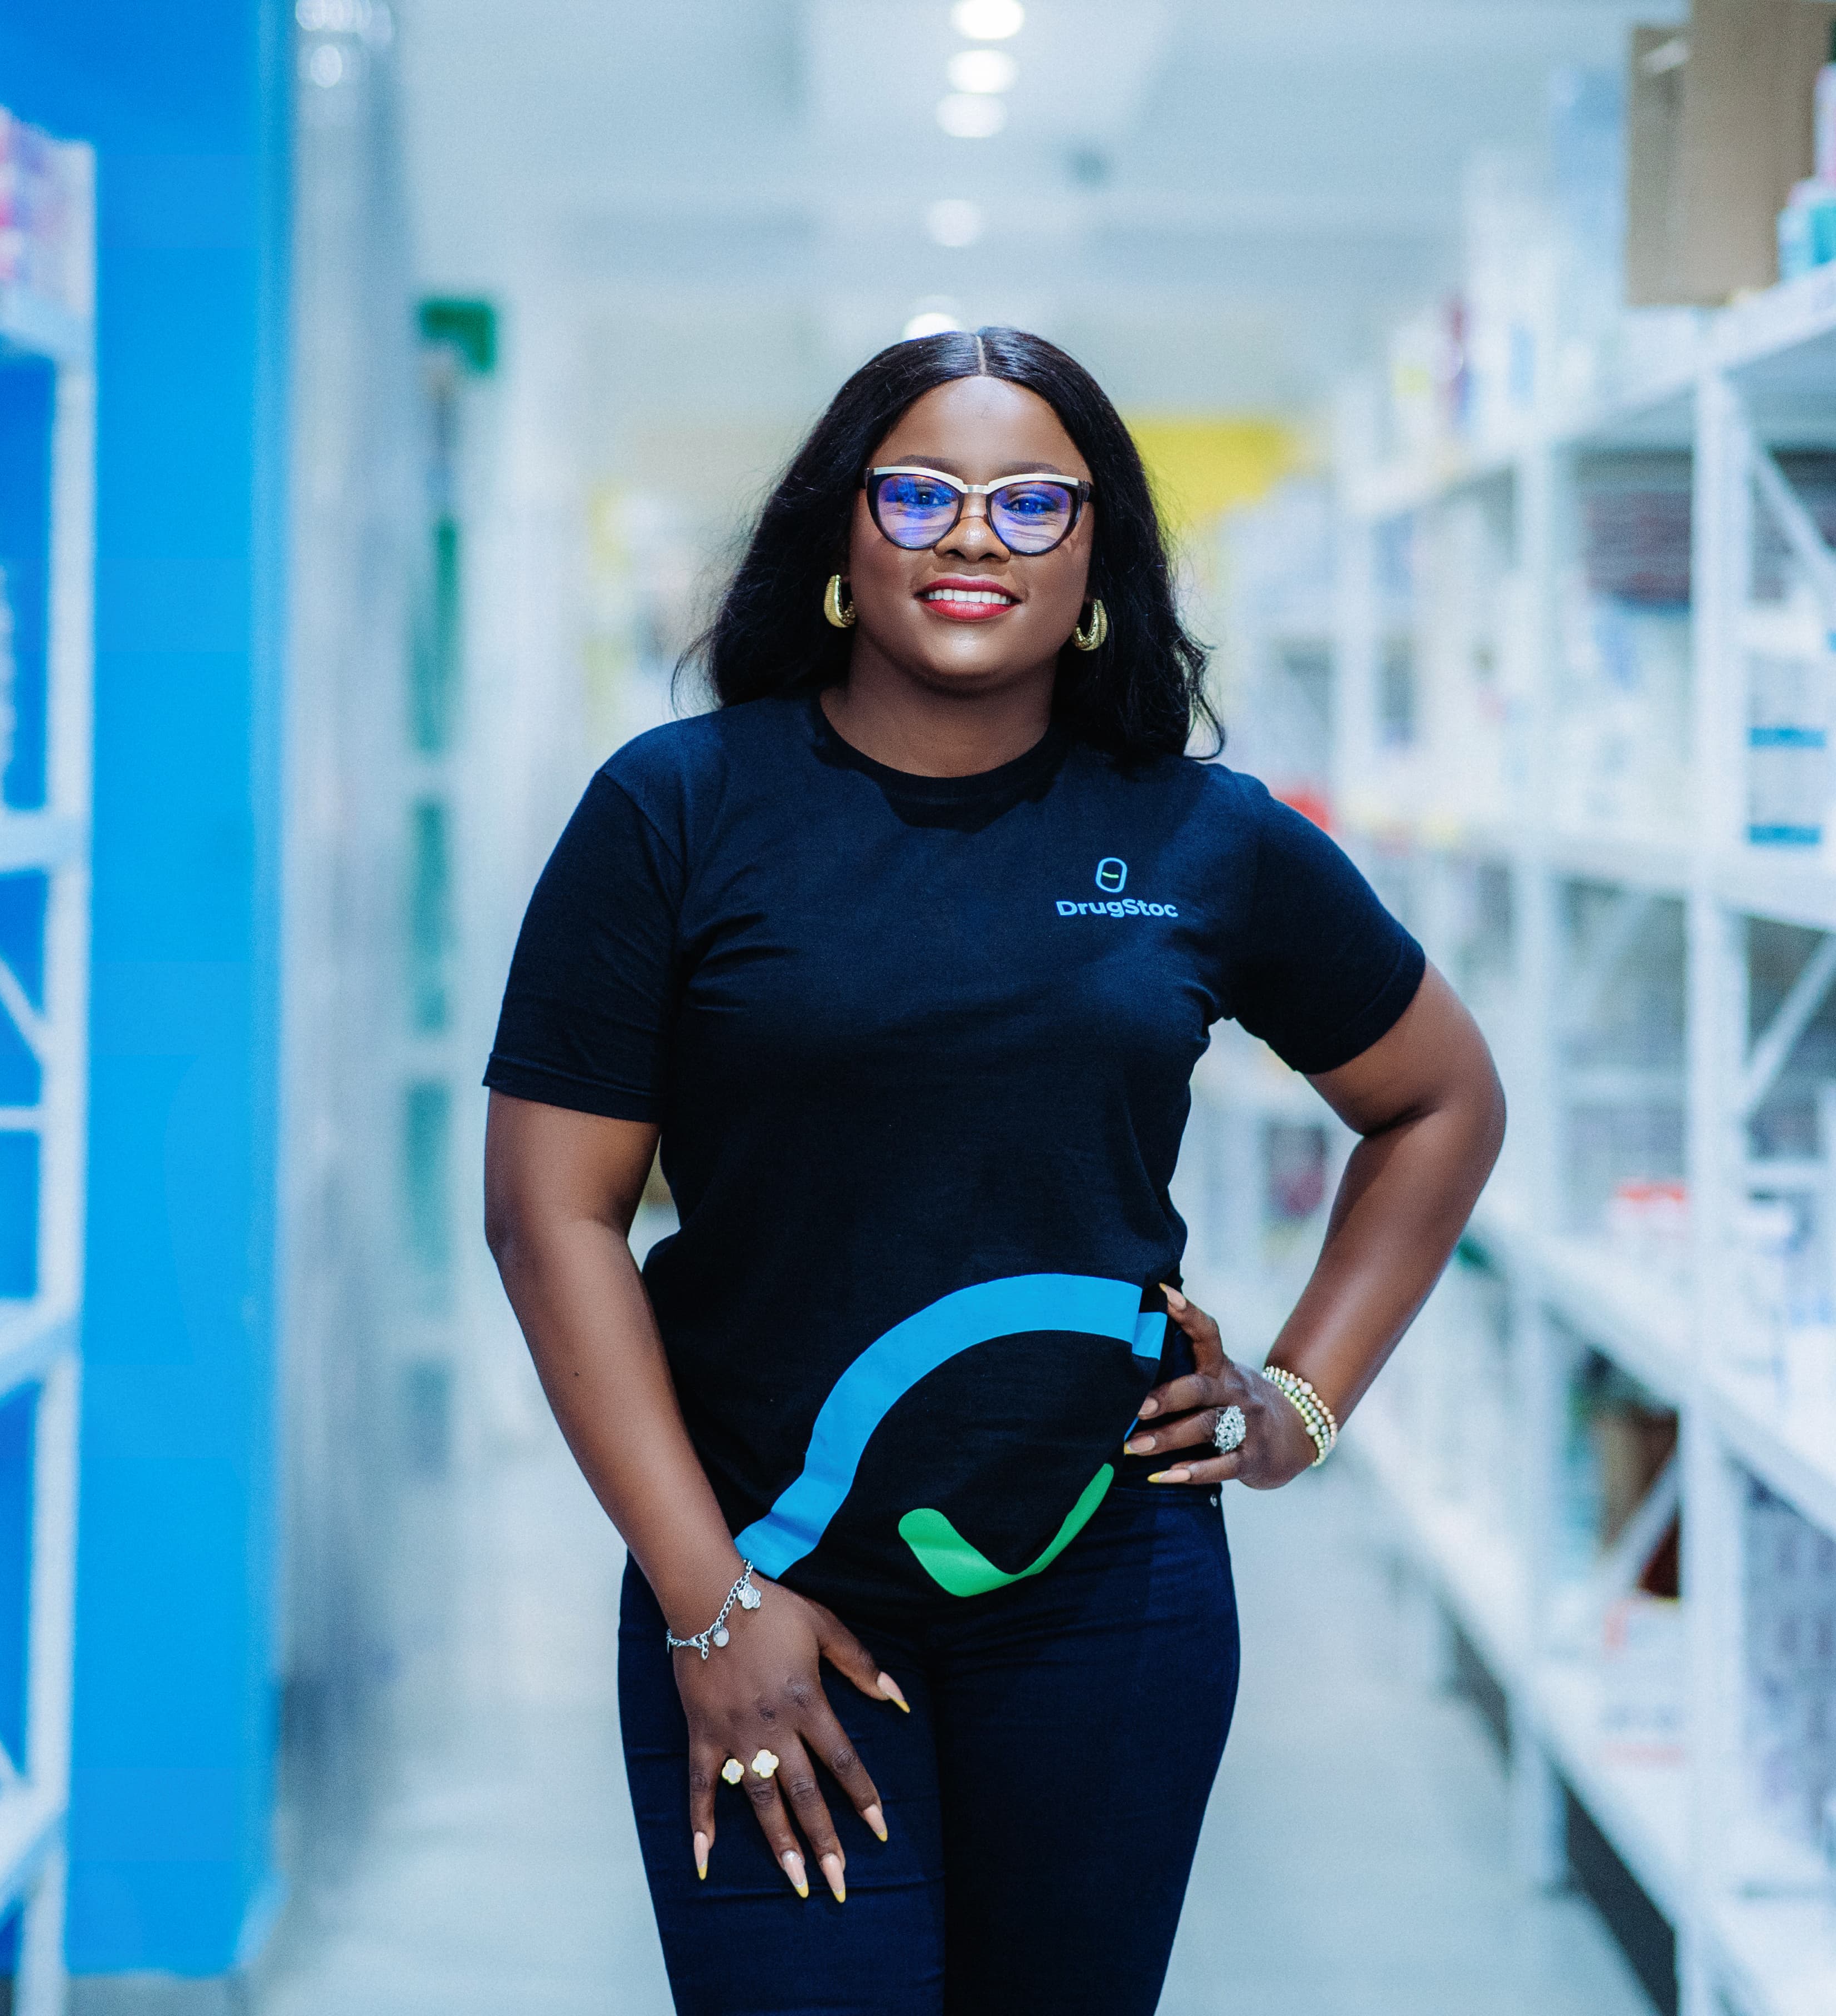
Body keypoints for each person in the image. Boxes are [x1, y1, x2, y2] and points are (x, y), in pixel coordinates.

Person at [481, 326, 1505, 2015]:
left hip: (1108, 1593)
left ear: (1099, 559)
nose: (976, 536)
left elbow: (1440, 1101)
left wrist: (1300, 1406)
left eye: (1036, 502)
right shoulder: (679, 810)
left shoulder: (1203, 837)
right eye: (922, 494)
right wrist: (707, 1598)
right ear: (840, 535)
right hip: (757, 1576)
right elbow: (550, 1216)